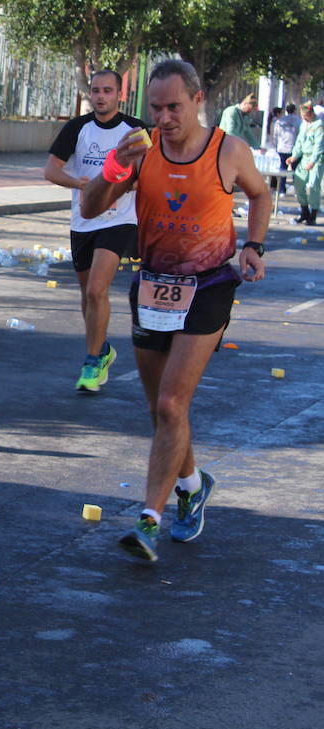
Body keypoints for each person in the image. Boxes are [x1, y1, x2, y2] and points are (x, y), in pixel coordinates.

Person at [81, 59, 268, 562]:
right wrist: (116, 165)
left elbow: (260, 193)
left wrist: (254, 246)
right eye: (156, 108)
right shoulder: (142, 152)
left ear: (198, 100)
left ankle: (149, 520)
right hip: (152, 285)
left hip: (208, 286)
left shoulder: (228, 150)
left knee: (170, 406)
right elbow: (92, 208)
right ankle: (191, 482)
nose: (163, 118)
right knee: (162, 409)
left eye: (173, 107)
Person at [44, 69, 149, 393]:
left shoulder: (136, 130)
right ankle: (102, 350)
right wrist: (78, 183)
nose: (100, 96)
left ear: (120, 94)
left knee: (96, 291)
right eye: (95, 90)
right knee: (87, 295)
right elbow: (50, 170)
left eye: (107, 90)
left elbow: (151, 171)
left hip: (119, 220)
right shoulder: (77, 128)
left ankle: (91, 364)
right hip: (83, 220)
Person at [287, 104, 324, 225]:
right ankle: (304, 211)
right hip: (304, 158)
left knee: (314, 186)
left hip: (316, 159)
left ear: (311, 114)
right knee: (298, 182)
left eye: (306, 116)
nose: (304, 119)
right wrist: (294, 156)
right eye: (302, 116)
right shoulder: (304, 124)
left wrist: (313, 161)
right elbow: (299, 141)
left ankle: (312, 215)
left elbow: (319, 145)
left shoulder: (319, 125)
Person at [270, 104, 300, 197]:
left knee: (283, 169)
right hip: (294, 149)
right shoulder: (299, 121)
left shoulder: (280, 121)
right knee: (296, 171)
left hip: (282, 148)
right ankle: (297, 190)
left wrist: (276, 145)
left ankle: (281, 190)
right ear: (295, 110)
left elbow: (275, 135)